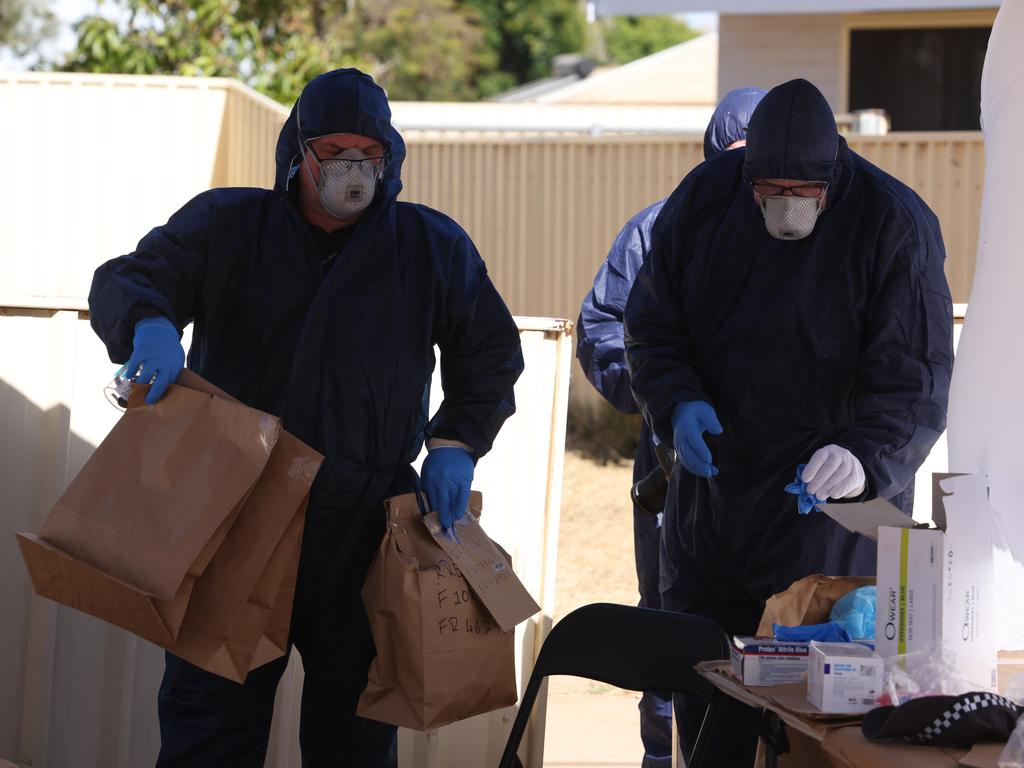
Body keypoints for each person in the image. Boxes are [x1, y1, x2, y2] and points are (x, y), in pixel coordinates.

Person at [88, 69, 524, 768]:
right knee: (211, 726)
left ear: (391, 158)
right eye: (336, 151)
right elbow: (130, 276)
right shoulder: (228, 225)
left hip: (361, 524)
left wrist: (457, 440)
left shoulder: (428, 247)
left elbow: (491, 351)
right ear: (299, 151)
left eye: (369, 154)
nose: (354, 169)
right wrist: (148, 324)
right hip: (237, 517)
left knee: (351, 737)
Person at [624, 78, 953, 766]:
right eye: (769, 190)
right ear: (746, 177)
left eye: (803, 193)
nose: (785, 206)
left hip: (828, 531)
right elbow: (651, 324)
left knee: (808, 740)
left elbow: (915, 379)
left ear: (832, 174)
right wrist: (676, 400)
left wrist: (863, 456)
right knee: (711, 721)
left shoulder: (893, 224)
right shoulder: (704, 201)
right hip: (712, 512)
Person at [575, 86, 765, 768]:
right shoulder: (657, 231)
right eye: (736, 157)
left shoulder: (814, 233)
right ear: (711, 156)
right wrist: (663, 401)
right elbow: (601, 326)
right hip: (675, 474)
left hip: (780, 484)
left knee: (779, 645)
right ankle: (665, 759)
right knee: (670, 630)